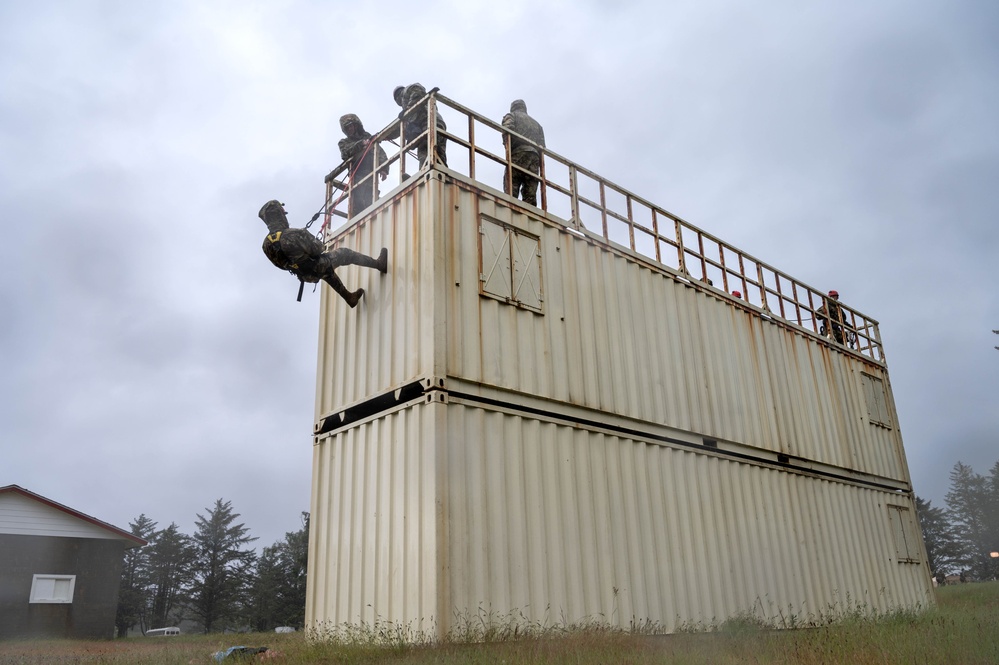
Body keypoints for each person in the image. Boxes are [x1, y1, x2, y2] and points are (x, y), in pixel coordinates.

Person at [258, 200, 387, 307]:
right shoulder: (293, 234)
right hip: (317, 266)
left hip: (304, 276)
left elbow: (281, 265)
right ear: (279, 215)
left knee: (327, 272)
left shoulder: (266, 245)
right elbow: (319, 248)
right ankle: (379, 264)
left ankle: (349, 297)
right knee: (344, 254)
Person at [338, 114, 389, 218]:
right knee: (359, 203)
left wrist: (384, 168)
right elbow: (345, 153)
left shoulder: (368, 137)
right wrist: (361, 144)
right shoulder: (344, 142)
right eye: (347, 127)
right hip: (357, 177)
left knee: (372, 199)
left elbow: (380, 152)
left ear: (356, 126)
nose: (350, 129)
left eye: (351, 126)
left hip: (371, 176)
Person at [389, 83, 447, 168]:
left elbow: (418, 90)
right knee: (439, 154)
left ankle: (424, 176)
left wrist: (407, 109)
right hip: (438, 123)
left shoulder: (406, 92)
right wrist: (384, 137)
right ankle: (444, 178)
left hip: (428, 123)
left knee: (424, 152)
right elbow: (399, 129)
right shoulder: (409, 112)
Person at [501, 99, 546, 206]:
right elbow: (542, 146)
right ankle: (529, 212)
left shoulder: (511, 116)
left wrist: (507, 146)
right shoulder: (537, 125)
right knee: (530, 190)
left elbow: (507, 130)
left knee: (512, 184)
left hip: (518, 153)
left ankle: (510, 207)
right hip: (535, 157)